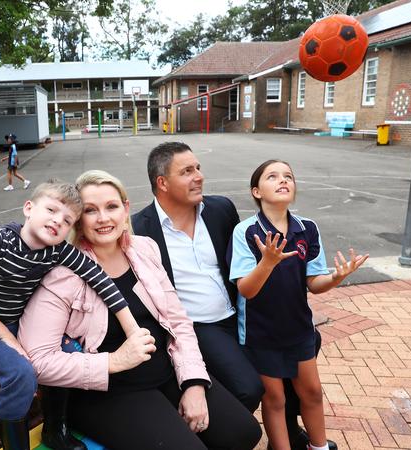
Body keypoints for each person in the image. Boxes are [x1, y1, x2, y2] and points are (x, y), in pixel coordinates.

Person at [19, 170, 262, 450]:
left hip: (165, 372)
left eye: (111, 206)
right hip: (107, 391)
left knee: (243, 432)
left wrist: (193, 382)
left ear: (125, 209)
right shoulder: (63, 275)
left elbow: (178, 321)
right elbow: (38, 359)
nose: (103, 218)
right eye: (90, 210)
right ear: (78, 219)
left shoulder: (144, 250)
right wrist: (113, 361)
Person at [131, 142, 336, 450]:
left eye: (198, 168)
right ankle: (208, 430)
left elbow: (242, 265)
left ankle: (289, 433)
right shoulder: (140, 228)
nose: (199, 176)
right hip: (199, 324)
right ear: (162, 182)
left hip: (237, 313)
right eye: (187, 171)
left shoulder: (220, 209)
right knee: (249, 386)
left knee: (305, 343)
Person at [0, 180, 140, 450]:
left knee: (67, 351)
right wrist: (12, 342)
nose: (57, 222)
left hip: (14, 324)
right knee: (21, 373)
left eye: (67, 220)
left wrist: (131, 327)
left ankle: (56, 429)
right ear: (29, 208)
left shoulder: (58, 250)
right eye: (51, 210)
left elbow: (99, 278)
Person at [227, 160, 368, 450]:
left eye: (288, 176)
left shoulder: (307, 229)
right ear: (257, 190)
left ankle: (318, 447)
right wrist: (267, 262)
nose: (283, 180)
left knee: (313, 393)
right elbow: (246, 290)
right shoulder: (246, 231)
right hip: (259, 332)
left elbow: (314, 285)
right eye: (273, 176)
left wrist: (336, 278)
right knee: (275, 399)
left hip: (299, 328)